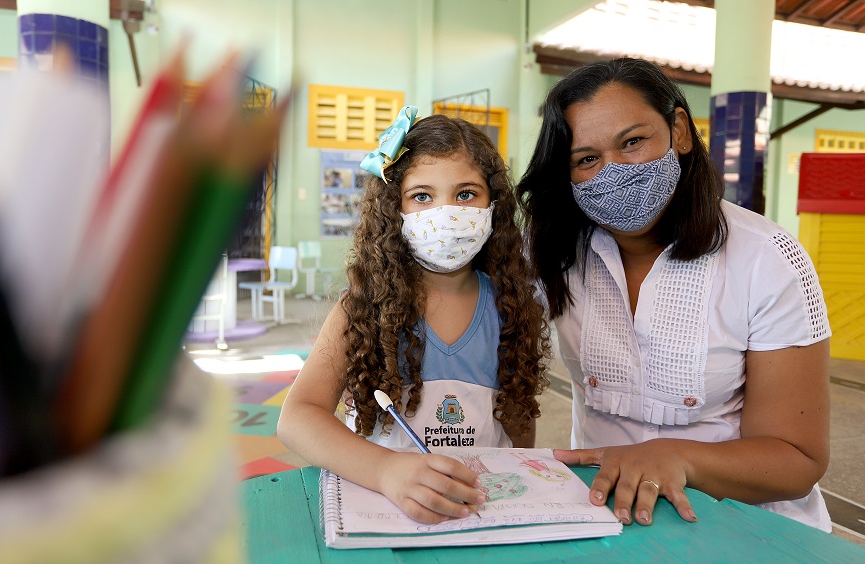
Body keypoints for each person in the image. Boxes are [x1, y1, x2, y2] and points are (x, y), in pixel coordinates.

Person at [517, 57, 832, 531]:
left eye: (633, 141)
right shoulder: (552, 252)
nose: (614, 171)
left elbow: (798, 460)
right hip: (610, 519)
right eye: (586, 159)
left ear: (679, 131)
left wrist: (675, 457)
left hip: (745, 526)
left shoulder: (768, 259)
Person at [277, 106, 550, 524]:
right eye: (422, 196)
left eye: (465, 194)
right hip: (381, 512)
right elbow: (297, 418)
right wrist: (385, 470)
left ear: (492, 204)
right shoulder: (361, 309)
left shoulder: (511, 307)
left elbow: (517, 423)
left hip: (476, 512)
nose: (446, 213)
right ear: (395, 209)